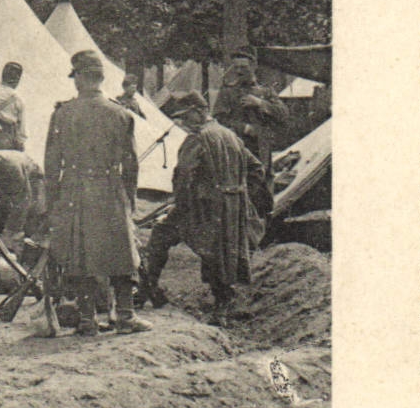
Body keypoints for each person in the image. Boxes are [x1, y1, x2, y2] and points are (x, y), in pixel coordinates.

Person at [41, 50, 151, 335]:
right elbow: (131, 163)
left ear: (78, 79)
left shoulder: (62, 114)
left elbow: (51, 164)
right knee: (122, 251)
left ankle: (87, 320)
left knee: (81, 255)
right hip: (110, 188)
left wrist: (52, 202)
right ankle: (126, 317)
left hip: (75, 191)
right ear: (100, 78)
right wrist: (130, 197)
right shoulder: (120, 113)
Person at [138, 91, 264, 315]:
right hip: (231, 208)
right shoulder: (231, 136)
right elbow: (256, 169)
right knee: (222, 251)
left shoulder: (197, 139)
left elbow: (183, 176)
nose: (183, 122)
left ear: (199, 112)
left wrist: (181, 204)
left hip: (202, 207)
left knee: (161, 234)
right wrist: (239, 194)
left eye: (186, 116)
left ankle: (149, 288)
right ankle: (223, 302)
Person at [212, 48, 286, 220]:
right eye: (236, 67)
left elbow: (283, 114)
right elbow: (218, 119)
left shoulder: (265, 92)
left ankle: (264, 232)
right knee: (244, 189)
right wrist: (243, 128)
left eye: (243, 67)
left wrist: (260, 103)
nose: (238, 71)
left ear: (254, 66)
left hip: (263, 149)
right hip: (239, 149)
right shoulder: (228, 92)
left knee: (264, 190)